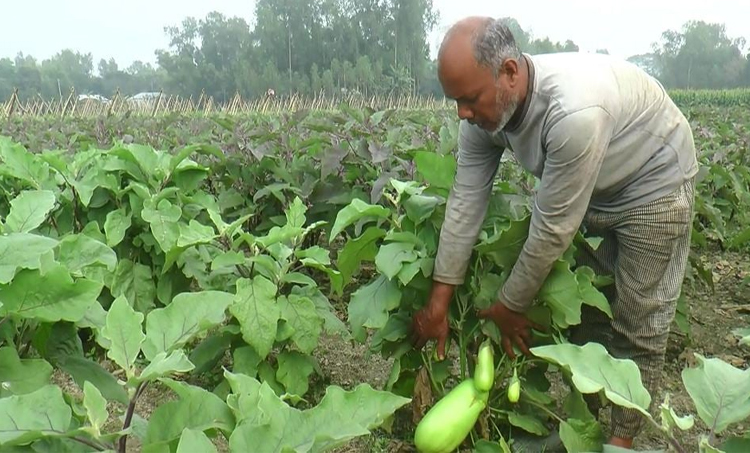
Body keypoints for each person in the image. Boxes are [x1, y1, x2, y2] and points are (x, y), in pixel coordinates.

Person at [409, 16, 698, 449]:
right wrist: (439, 299)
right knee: (588, 318)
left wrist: (511, 305)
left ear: (509, 72)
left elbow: (552, 229)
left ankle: (621, 442)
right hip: (596, 187)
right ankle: (585, 428)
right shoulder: (483, 115)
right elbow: (466, 199)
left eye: (469, 100)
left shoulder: (573, 112)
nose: (462, 114)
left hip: (654, 183)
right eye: (456, 101)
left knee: (639, 321)